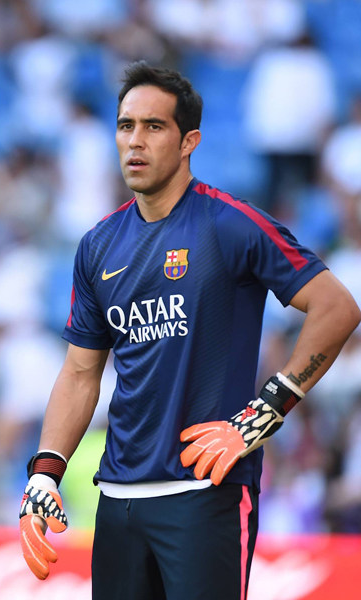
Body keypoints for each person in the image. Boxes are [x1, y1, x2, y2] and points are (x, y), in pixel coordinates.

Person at [18, 61, 360, 599]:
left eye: (154, 127)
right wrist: (44, 473)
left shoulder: (229, 223)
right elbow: (81, 372)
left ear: (188, 142)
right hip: (119, 500)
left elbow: (336, 307)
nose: (136, 140)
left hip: (207, 492)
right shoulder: (98, 245)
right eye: (126, 125)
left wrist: (262, 415)